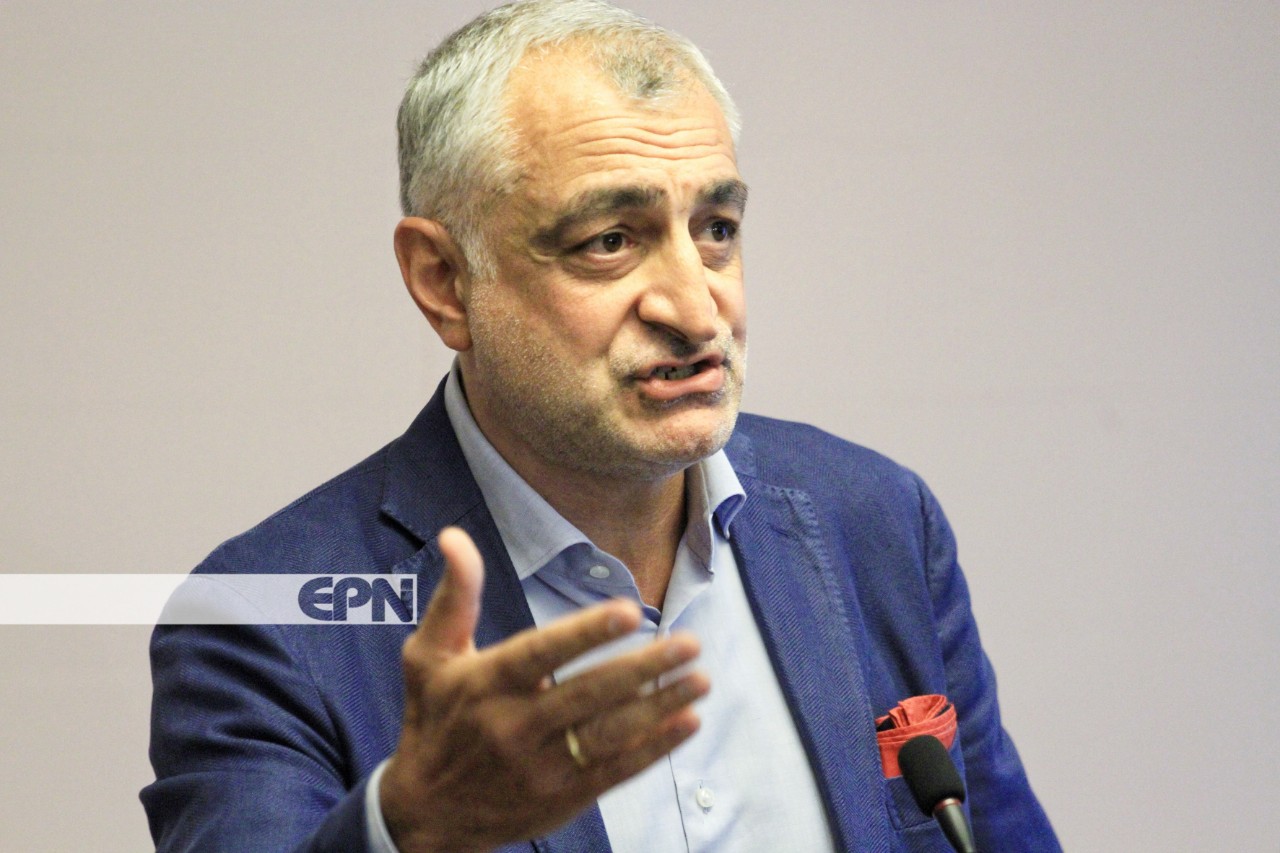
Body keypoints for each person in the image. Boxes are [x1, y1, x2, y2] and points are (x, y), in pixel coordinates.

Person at [142, 2, 1060, 851]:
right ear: (444, 280)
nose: (696, 311)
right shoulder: (268, 619)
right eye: (610, 241)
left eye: (716, 227)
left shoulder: (876, 521)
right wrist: (405, 830)